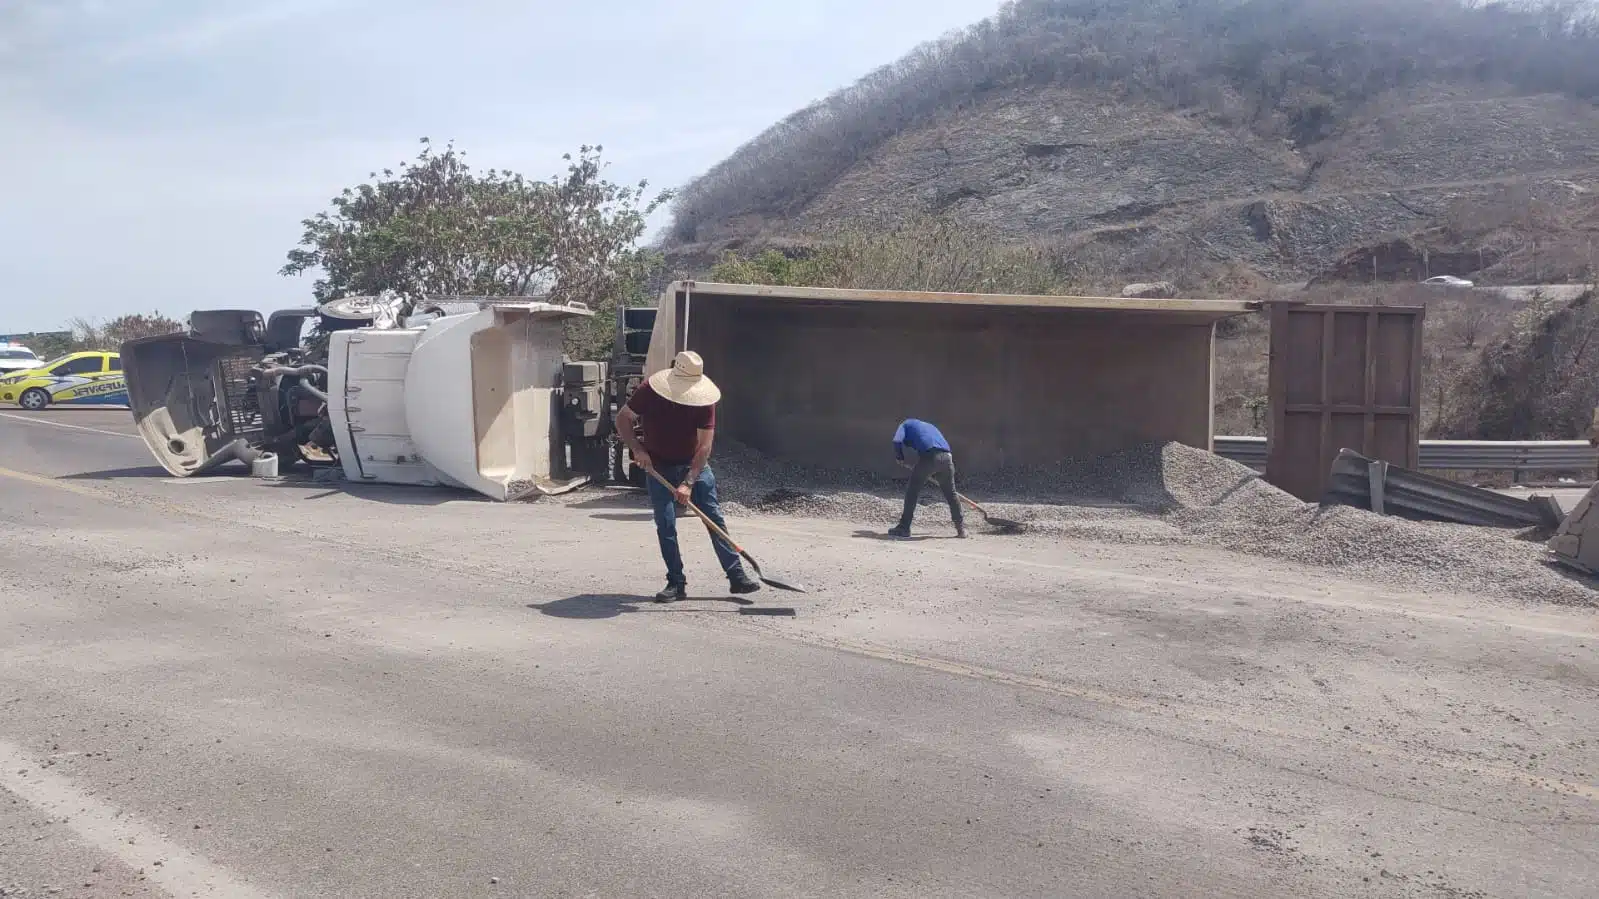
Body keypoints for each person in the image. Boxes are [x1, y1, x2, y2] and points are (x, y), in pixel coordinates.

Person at [615, 350, 761, 603]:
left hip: (694, 464)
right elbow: (623, 418)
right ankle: (676, 583)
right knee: (666, 524)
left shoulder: (704, 402)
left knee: (713, 518)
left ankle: (737, 577)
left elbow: (704, 447)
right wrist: (638, 450)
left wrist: (688, 482)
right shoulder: (650, 390)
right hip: (658, 466)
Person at [889, 418, 966, 539]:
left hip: (930, 457)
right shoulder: (929, 426)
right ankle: (961, 529)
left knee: (912, 491)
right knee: (951, 493)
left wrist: (900, 457)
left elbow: (897, 441)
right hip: (947, 458)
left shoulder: (904, 425)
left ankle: (904, 527)